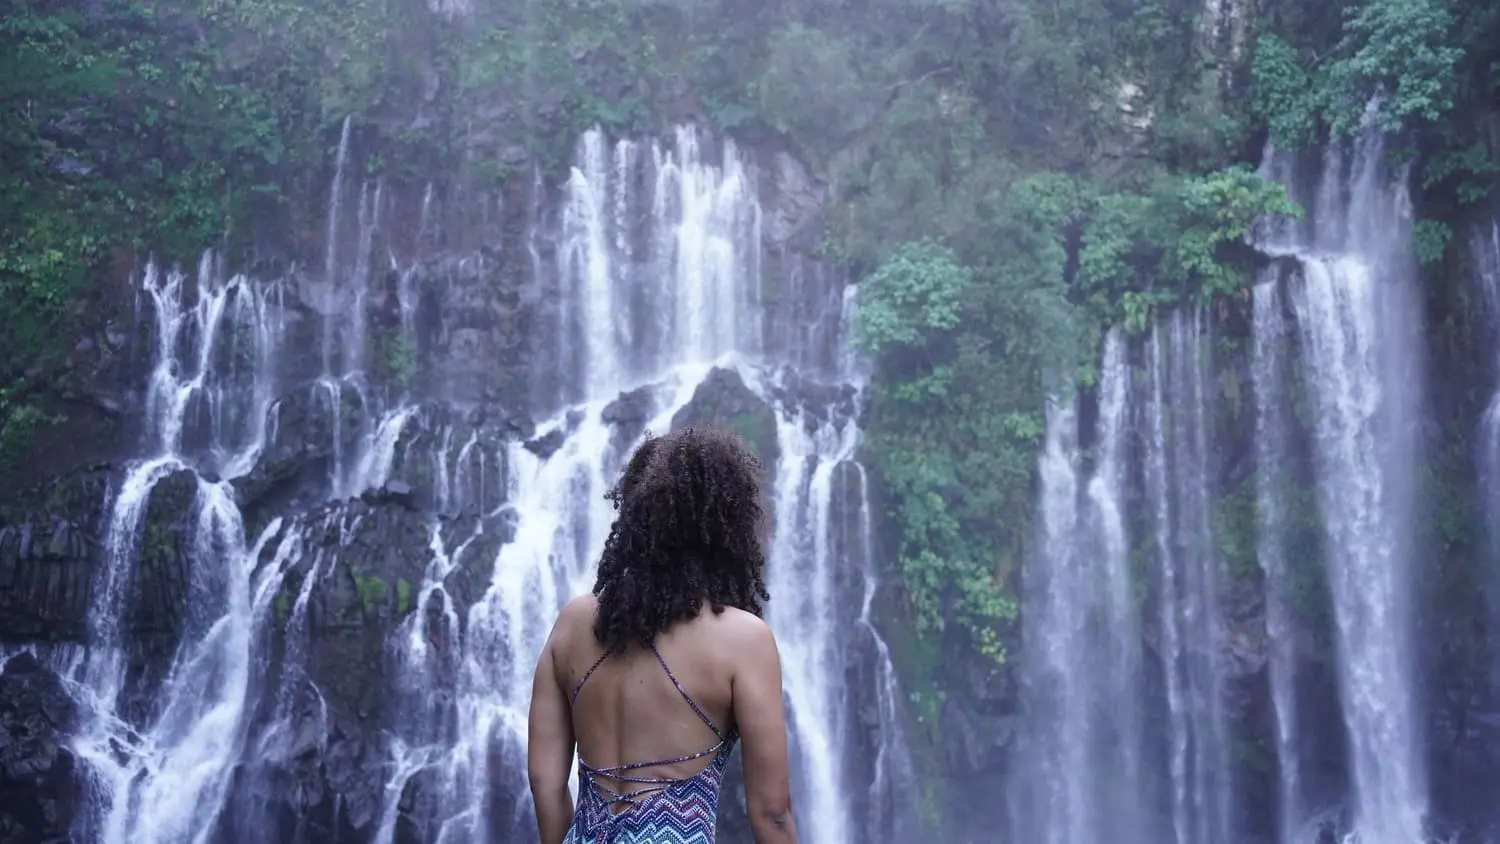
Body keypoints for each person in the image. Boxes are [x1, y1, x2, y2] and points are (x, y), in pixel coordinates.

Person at [527, 426, 798, 844]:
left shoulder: (573, 623)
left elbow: (546, 783)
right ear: (727, 525)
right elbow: (772, 814)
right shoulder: (743, 641)